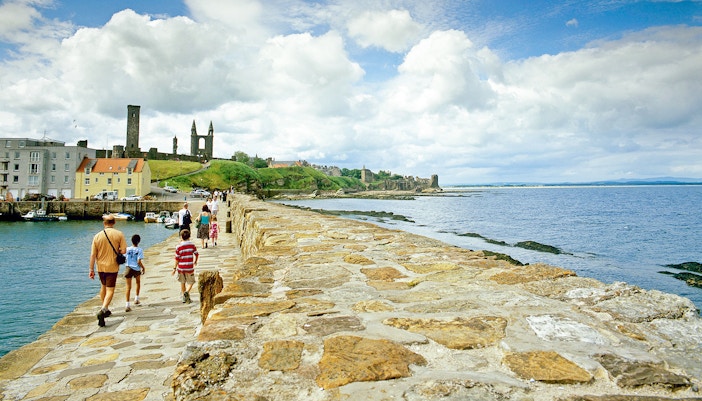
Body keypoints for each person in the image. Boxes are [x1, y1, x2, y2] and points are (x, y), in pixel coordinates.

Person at [89, 214, 127, 327]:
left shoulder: (97, 236)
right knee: (110, 289)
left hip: (100, 266)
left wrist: (91, 269)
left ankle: (105, 308)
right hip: (112, 265)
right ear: (114, 222)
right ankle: (104, 309)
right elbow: (124, 250)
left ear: (104, 223)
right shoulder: (119, 234)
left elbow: (93, 254)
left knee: (103, 287)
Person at [173, 229, 198, 303]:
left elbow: (177, 258)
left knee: (182, 282)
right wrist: (195, 261)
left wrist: (174, 268)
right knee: (191, 282)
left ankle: (184, 297)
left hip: (181, 268)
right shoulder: (192, 245)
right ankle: (187, 292)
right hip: (189, 267)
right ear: (189, 236)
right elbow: (196, 253)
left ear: (181, 237)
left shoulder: (178, 246)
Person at [124, 234, 146, 312]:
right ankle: (136, 299)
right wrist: (143, 267)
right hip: (136, 268)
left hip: (128, 268)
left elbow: (124, 257)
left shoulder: (127, 249)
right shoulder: (139, 250)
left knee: (128, 287)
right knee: (138, 283)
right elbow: (138, 261)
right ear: (139, 241)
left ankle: (127, 305)